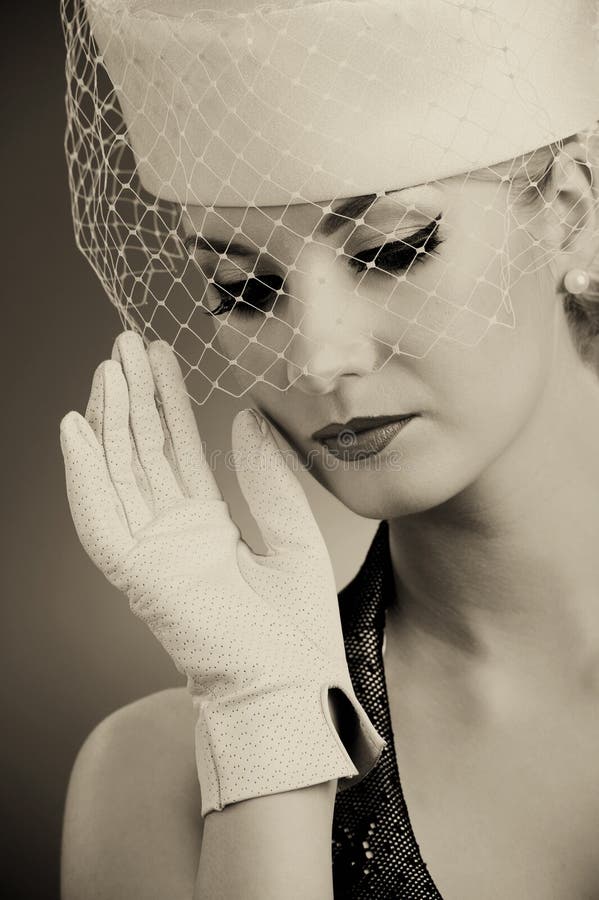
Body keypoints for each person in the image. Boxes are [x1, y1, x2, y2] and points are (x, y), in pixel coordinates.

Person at [59, 0, 599, 897]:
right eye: (244, 287)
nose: (315, 355)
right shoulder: (158, 781)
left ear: (568, 212)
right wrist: (266, 732)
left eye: (390, 250)